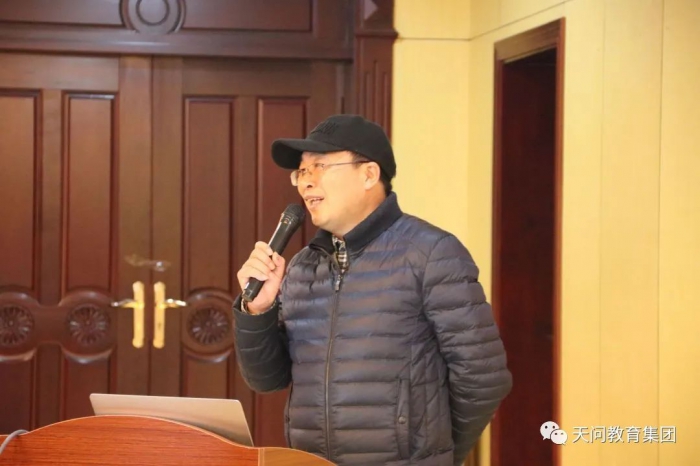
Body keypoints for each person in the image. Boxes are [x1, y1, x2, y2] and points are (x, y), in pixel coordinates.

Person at [232, 114, 512, 466]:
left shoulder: (431, 253)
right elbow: (267, 380)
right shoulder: (302, 267)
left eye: (319, 167)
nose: (306, 182)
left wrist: (435, 453)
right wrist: (257, 311)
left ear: (369, 174)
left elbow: (483, 377)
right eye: (301, 172)